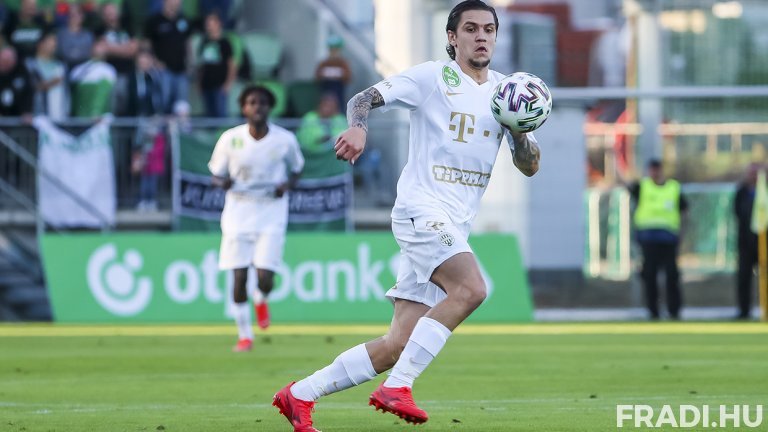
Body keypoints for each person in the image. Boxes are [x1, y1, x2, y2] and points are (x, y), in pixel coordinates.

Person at [272, 1, 541, 430]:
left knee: (397, 343)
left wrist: (519, 131)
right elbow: (362, 98)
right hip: (421, 210)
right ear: (452, 37)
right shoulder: (432, 77)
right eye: (471, 28)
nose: (481, 36)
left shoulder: (506, 95)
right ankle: (398, 386)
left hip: (454, 224)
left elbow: (529, 166)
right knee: (471, 289)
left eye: (489, 29)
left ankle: (300, 394)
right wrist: (358, 127)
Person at [208, 85, 304, 352]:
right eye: (251, 102)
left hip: (271, 211)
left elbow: (298, 169)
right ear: (244, 108)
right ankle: (244, 335)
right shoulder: (230, 139)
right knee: (239, 277)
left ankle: (261, 298)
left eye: (262, 102)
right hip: (238, 211)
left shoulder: (284, 139)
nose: (257, 107)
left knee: (265, 277)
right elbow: (215, 175)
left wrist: (287, 185)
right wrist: (223, 183)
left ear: (269, 107)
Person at [627, 158, 688, 320]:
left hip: (669, 238)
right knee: (650, 275)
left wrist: (682, 233)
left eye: (657, 169)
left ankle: (674, 310)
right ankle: (653, 311)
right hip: (648, 238)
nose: (655, 173)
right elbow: (625, 182)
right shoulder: (643, 187)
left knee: (671, 275)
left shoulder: (673, 188)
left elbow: (684, 211)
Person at [143, 0, 192, 114]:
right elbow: (146, 45)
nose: (175, 3)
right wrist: (154, 62)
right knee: (164, 102)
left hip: (181, 69)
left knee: (182, 105)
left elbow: (188, 43)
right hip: (163, 70)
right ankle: (162, 124)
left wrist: (190, 63)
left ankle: (180, 126)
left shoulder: (183, 20)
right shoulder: (154, 21)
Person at [733, 163, 764, 320]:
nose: (754, 176)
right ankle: (744, 311)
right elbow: (738, 213)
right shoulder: (742, 192)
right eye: (752, 173)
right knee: (744, 277)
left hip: (764, 242)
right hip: (746, 242)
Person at [196, 11, 235, 118]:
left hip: (220, 84)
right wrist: (199, 82)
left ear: (218, 24)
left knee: (220, 114)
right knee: (209, 114)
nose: (208, 26)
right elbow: (202, 65)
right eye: (207, 23)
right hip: (206, 84)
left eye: (211, 23)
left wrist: (228, 83)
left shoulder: (225, 42)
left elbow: (231, 65)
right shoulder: (204, 42)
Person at [25, 31, 67, 120]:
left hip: (59, 117)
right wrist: (51, 83)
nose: (54, 45)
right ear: (40, 44)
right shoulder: (29, 64)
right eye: (50, 42)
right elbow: (31, 87)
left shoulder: (60, 66)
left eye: (55, 42)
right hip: (37, 117)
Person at [314, 35, 351, 112]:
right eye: (332, 50)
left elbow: (348, 77)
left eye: (336, 50)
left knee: (339, 106)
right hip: (325, 88)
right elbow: (317, 76)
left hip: (338, 89)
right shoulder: (324, 63)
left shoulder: (343, 63)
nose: (334, 52)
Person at [0, 46, 34, 116]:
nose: (4, 64)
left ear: (14, 61)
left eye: (7, 61)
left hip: (18, 113)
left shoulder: (22, 72)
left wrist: (27, 111)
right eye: (2, 61)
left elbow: (28, 92)